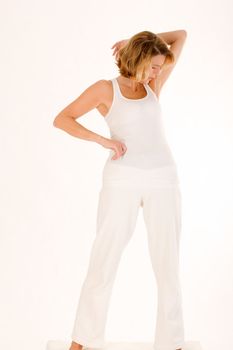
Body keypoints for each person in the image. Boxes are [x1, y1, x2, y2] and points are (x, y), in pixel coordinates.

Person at [53, 30, 188, 350]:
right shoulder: (105, 89)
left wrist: (134, 39)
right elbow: (63, 119)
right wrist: (103, 141)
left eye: (159, 66)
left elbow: (180, 36)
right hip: (121, 179)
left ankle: (174, 343)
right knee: (104, 260)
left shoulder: (153, 86)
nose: (158, 72)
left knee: (167, 264)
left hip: (164, 179)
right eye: (153, 65)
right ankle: (82, 341)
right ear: (140, 59)